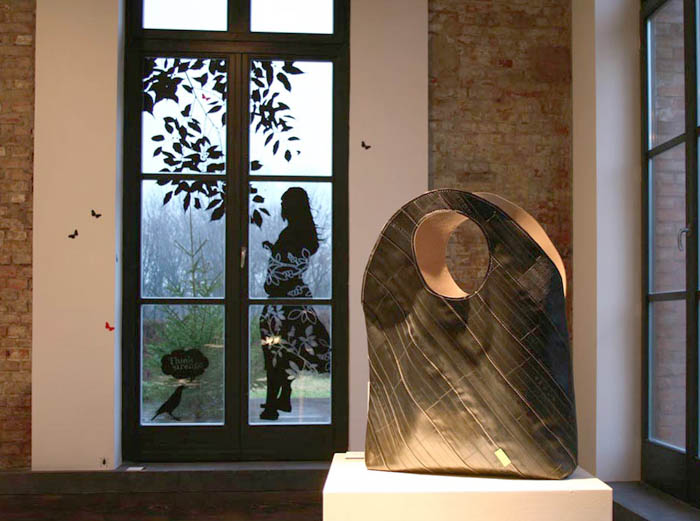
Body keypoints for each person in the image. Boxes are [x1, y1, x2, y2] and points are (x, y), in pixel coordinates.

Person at [259, 187, 331, 421]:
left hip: (282, 302)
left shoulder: (291, 234)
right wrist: (275, 250)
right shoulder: (305, 233)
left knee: (274, 351)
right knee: (287, 349)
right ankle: (282, 397)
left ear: (292, 206)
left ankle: (274, 404)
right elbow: (292, 261)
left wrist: (273, 272)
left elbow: (283, 269)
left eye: (284, 202)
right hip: (296, 298)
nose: (281, 206)